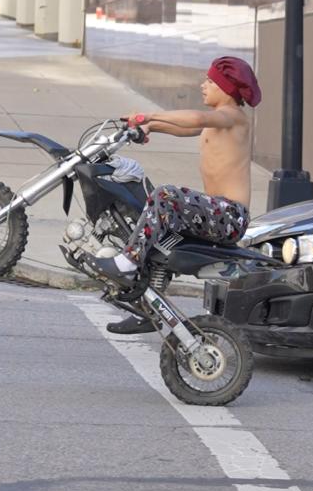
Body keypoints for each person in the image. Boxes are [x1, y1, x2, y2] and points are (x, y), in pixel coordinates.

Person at [86, 56, 261, 335]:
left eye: (210, 81)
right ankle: (148, 307)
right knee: (161, 236)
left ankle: (126, 263)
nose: (203, 85)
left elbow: (197, 118)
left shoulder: (233, 117)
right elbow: (187, 127)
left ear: (226, 88)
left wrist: (150, 116)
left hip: (230, 215)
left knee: (166, 195)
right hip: (218, 213)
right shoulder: (220, 121)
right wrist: (149, 128)